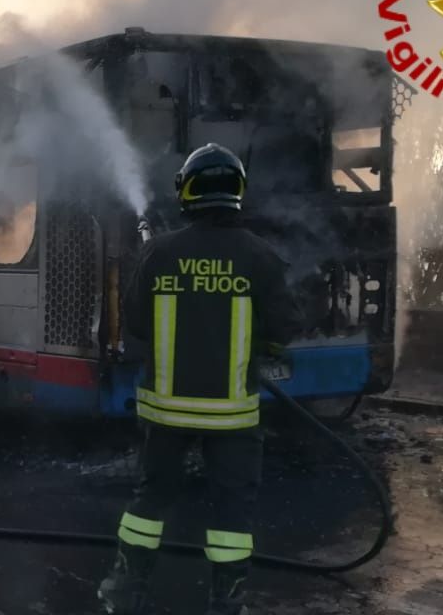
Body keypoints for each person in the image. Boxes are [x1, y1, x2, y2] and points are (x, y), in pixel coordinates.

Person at [98, 143, 301, 615]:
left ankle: (127, 587)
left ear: (187, 190)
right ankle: (225, 601)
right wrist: (255, 352)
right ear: (237, 191)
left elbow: (138, 326)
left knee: (150, 501)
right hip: (233, 418)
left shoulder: (158, 254)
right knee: (231, 513)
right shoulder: (261, 257)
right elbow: (284, 331)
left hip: (166, 415)